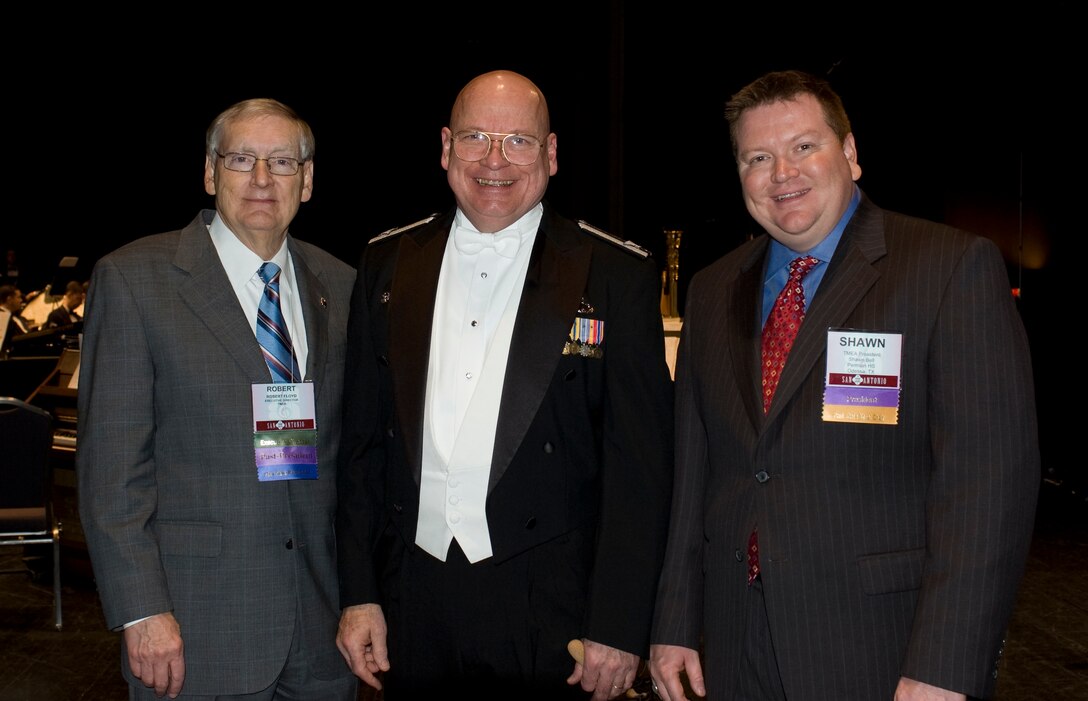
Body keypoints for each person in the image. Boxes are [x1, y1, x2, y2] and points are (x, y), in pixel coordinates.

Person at [648, 69, 1040, 701]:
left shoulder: (948, 269)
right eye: (758, 157)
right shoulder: (712, 289)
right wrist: (673, 620)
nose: (782, 173)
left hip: (882, 650)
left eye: (804, 146)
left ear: (851, 155)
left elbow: (988, 487)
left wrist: (946, 662)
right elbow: (695, 476)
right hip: (732, 642)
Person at [335, 70, 674, 700]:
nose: (494, 160)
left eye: (518, 140)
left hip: (554, 610)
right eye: (475, 138)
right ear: (444, 148)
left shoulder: (614, 274)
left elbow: (641, 472)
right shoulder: (386, 262)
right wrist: (359, 594)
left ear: (550, 154)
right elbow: (360, 450)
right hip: (413, 599)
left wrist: (619, 624)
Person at [77, 98, 358, 700]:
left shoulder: (342, 284)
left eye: (282, 161)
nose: (261, 178)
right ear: (210, 173)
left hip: (321, 633)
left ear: (307, 181)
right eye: (241, 159)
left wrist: (363, 598)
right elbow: (112, 475)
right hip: (194, 630)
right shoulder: (133, 280)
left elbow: (351, 462)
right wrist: (141, 611)